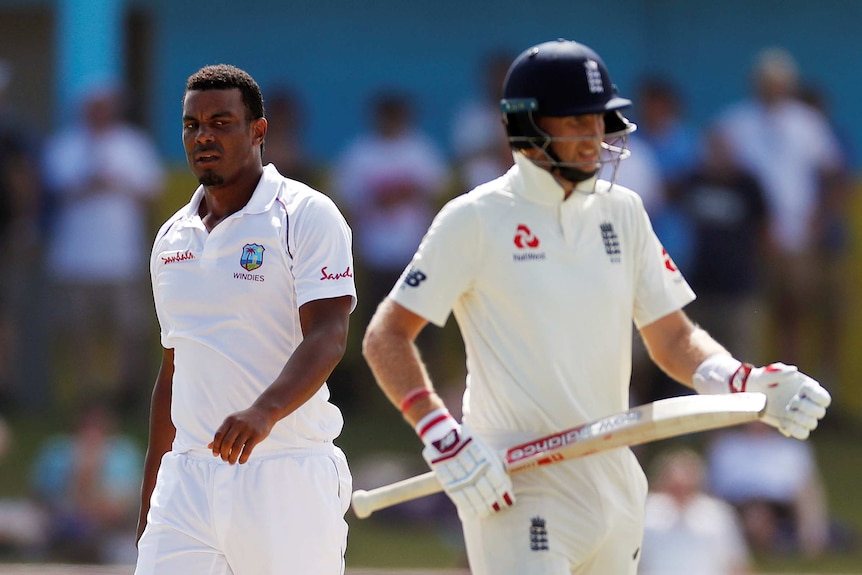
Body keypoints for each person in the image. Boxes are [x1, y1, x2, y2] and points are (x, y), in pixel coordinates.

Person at [361, 39, 831, 575]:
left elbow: (673, 338)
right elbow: (386, 336)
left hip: (617, 482)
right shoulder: (474, 218)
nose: (595, 138)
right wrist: (441, 433)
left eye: (599, 120)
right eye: (577, 122)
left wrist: (742, 381)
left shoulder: (624, 211)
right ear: (529, 126)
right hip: (518, 486)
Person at [134, 64, 356, 575]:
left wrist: (264, 412)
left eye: (221, 122)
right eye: (192, 125)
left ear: (258, 131)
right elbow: (174, 373)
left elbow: (329, 332)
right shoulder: (171, 239)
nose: (204, 136)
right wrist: (151, 503)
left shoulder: (306, 214)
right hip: (186, 482)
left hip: (285, 475)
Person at [715, 47, 844, 371]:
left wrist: (820, 219)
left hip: (797, 238)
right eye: (766, 81)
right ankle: (754, 394)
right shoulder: (736, 121)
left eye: (778, 81)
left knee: (796, 314)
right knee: (751, 314)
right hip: (750, 241)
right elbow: (719, 171)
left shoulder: (807, 123)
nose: (772, 87)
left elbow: (831, 173)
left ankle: (794, 384)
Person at [41, 81, 165, 412]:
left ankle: (126, 396)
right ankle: (84, 398)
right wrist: (89, 183)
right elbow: (54, 189)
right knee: (77, 331)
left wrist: (117, 183)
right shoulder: (64, 145)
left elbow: (151, 192)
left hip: (122, 257)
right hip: (74, 259)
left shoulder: (134, 145)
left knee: (128, 329)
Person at [30, 400, 142, 564]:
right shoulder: (57, 452)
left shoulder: (123, 454)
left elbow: (126, 501)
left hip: (111, 527)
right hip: (62, 519)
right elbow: (40, 494)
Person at [706, 422, 831, 557]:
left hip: (780, 508)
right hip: (736, 505)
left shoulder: (792, 448)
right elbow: (712, 487)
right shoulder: (726, 446)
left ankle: (811, 541)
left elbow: (807, 488)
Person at [639, 447, 750, 575]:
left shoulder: (717, 513)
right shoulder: (647, 511)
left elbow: (736, 563)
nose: (680, 489)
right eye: (675, 485)